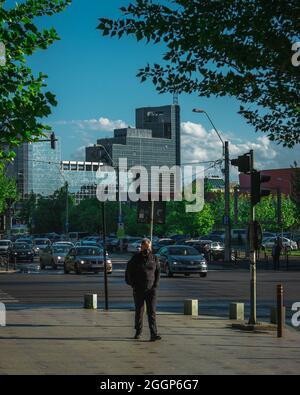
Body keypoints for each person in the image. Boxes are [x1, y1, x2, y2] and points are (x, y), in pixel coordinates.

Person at [125, 238, 161, 342]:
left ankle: (154, 334)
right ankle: (138, 331)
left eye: (149, 247)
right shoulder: (135, 258)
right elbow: (128, 274)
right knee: (139, 311)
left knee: (152, 312)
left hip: (151, 290)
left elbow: (158, 273)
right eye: (145, 247)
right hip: (139, 289)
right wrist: (133, 285)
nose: (147, 249)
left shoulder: (154, 258)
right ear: (141, 247)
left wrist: (155, 286)